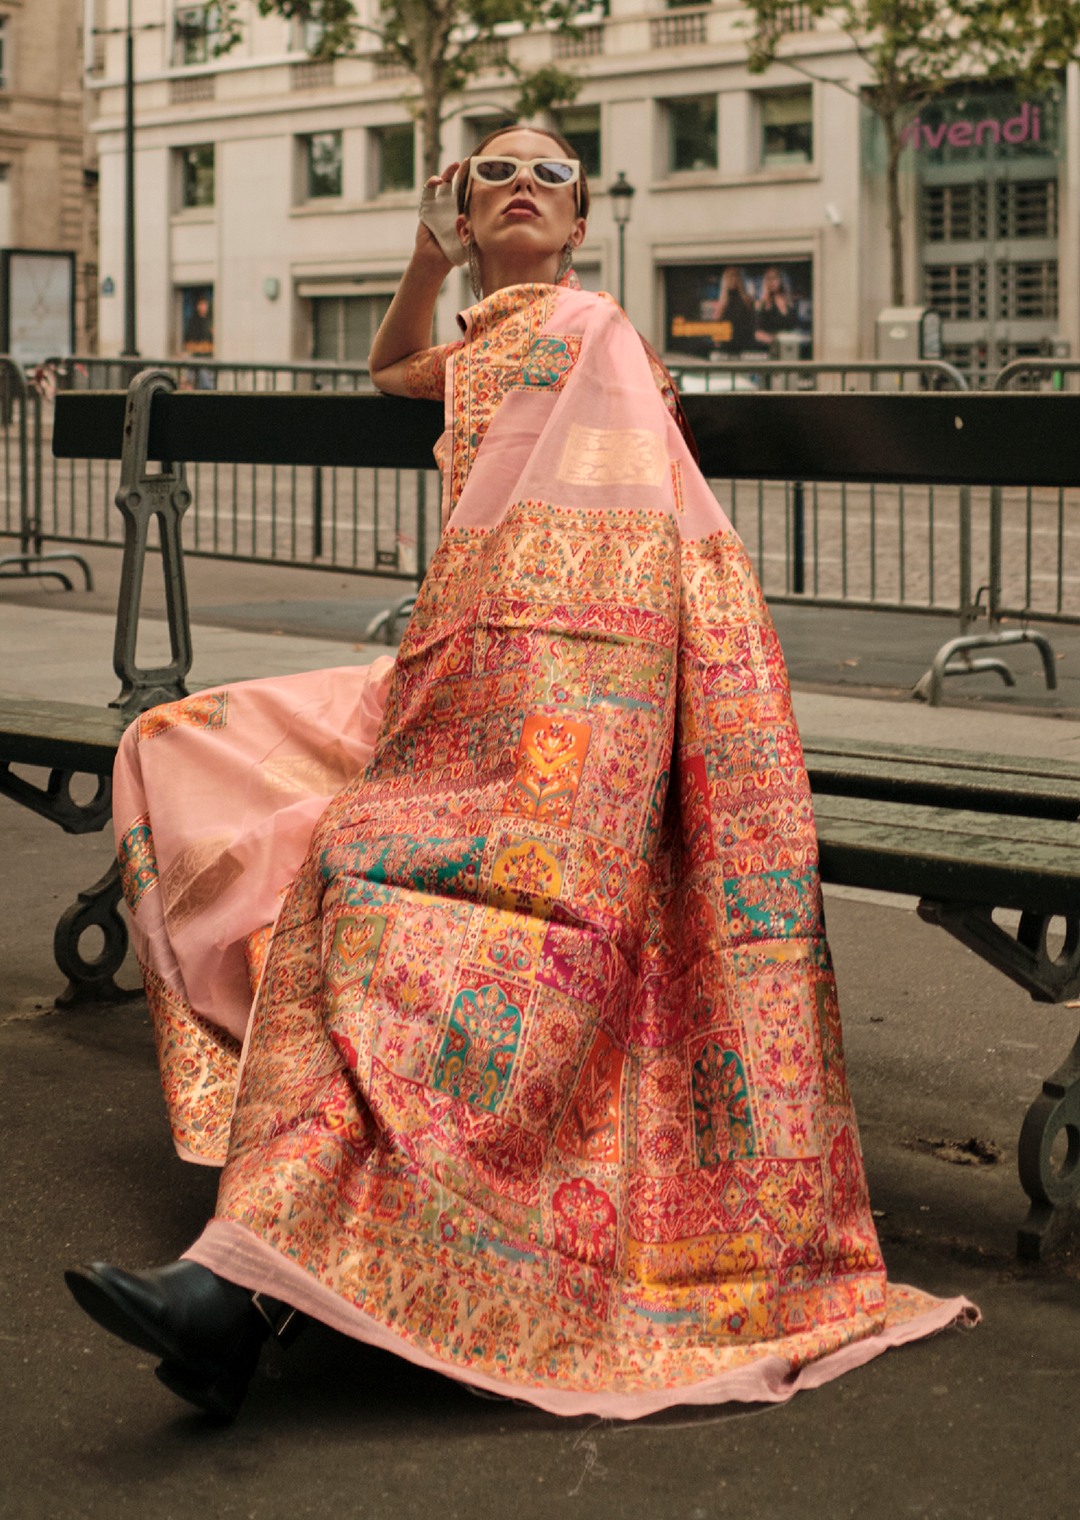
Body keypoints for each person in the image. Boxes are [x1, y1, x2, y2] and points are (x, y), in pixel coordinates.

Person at [65, 125, 974, 1424]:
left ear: (584, 217)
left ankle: (257, 1264)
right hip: (449, 677)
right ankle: (284, 1153)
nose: (523, 184)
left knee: (364, 888)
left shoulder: (592, 327)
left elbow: (612, 560)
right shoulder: (489, 338)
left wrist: (526, 692)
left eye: (551, 173)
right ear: (463, 209)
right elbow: (390, 364)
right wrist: (423, 260)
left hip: (566, 701)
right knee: (170, 744)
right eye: (495, 171)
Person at [754, 266, 800, 353]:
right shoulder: (762, 304)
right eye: (768, 279)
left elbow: (796, 328)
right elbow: (757, 333)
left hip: (790, 349)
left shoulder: (791, 303)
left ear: (781, 280)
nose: (771, 282)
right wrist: (775, 340)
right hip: (770, 349)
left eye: (774, 278)